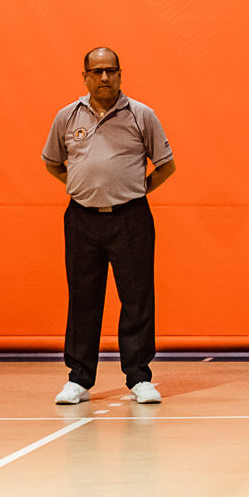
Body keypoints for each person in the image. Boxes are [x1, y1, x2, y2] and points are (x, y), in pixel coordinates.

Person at [42, 47, 176, 405]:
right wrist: (82, 186)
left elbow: (166, 165)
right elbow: (53, 163)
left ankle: (139, 378)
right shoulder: (67, 117)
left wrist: (133, 190)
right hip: (81, 218)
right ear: (85, 76)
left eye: (111, 71)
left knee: (136, 297)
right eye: (97, 71)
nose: (104, 77)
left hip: (131, 218)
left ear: (120, 74)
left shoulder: (141, 115)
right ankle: (79, 379)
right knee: (83, 298)